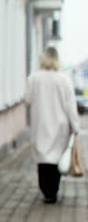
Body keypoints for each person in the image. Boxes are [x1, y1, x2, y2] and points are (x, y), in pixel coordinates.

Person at [25, 46, 80, 204]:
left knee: (43, 159)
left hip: (40, 124)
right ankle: (53, 190)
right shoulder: (63, 79)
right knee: (55, 159)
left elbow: (27, 100)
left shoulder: (33, 78)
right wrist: (75, 127)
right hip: (60, 126)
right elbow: (70, 105)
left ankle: (46, 190)